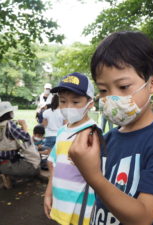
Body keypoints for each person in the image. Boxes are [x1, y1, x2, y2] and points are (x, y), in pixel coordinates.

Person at [68, 31, 153, 225]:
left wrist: (92, 175)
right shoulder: (106, 140)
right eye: (103, 90)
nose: (112, 98)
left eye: (123, 87)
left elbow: (142, 218)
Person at [44, 72, 97, 225]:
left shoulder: (93, 133)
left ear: (90, 103)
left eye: (75, 102)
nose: (68, 107)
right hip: (60, 205)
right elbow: (53, 165)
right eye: (63, 101)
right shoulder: (62, 131)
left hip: (82, 210)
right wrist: (48, 194)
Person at [0, 102, 40, 189]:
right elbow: (26, 137)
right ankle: (9, 174)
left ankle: (6, 175)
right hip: (10, 164)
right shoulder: (9, 124)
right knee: (36, 169)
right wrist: (24, 125)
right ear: (8, 113)